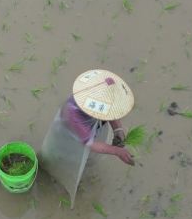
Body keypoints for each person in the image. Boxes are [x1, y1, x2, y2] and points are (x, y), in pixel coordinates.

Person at [41, 69, 135, 207]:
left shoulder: (99, 97)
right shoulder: (74, 112)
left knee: (87, 159)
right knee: (63, 159)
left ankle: (85, 165)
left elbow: (111, 110)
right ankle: (52, 176)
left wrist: (118, 130)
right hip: (69, 137)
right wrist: (116, 151)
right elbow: (90, 143)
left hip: (92, 129)